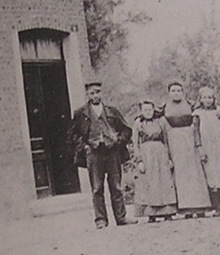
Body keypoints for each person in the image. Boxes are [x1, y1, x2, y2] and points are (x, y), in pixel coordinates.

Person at [69, 79, 131, 229]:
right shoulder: (80, 114)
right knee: (97, 188)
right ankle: (101, 220)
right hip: (93, 153)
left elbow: (126, 130)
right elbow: (72, 135)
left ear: (101, 93)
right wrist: (84, 147)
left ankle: (121, 218)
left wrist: (118, 141)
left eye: (98, 92)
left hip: (112, 152)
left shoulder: (112, 111)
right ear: (87, 95)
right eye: (92, 93)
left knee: (116, 186)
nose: (96, 95)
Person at [161, 81, 213, 217]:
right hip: (174, 141)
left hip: (190, 139)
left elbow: (203, 113)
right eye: (173, 91)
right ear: (169, 93)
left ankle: (200, 207)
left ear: (183, 92)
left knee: (195, 173)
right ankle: (186, 209)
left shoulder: (190, 104)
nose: (176, 93)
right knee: (181, 174)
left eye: (179, 90)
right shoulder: (164, 107)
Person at [132, 100, 177, 221]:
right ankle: (151, 214)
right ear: (141, 111)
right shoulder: (138, 125)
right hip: (146, 154)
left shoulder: (160, 122)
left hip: (160, 153)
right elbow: (135, 143)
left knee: (164, 181)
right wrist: (139, 161)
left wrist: (169, 157)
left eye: (150, 109)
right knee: (149, 182)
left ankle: (168, 212)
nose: (148, 112)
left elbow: (166, 140)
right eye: (145, 110)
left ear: (153, 110)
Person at [193, 85, 220, 215]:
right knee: (212, 177)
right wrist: (199, 148)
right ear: (200, 99)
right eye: (205, 97)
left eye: (210, 97)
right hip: (207, 148)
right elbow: (196, 133)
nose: (208, 100)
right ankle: (216, 207)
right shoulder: (197, 114)